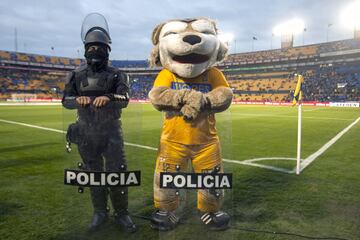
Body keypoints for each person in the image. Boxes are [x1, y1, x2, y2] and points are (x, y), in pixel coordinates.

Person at [62, 13, 136, 233]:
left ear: (107, 50)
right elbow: (65, 101)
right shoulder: (75, 75)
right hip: (86, 132)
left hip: (111, 132)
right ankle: (100, 212)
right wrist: (78, 100)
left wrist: (110, 98)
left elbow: (126, 99)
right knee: (94, 174)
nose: (95, 51)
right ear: (85, 49)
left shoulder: (117, 75)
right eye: (91, 47)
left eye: (99, 47)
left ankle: (121, 214)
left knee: (118, 173)